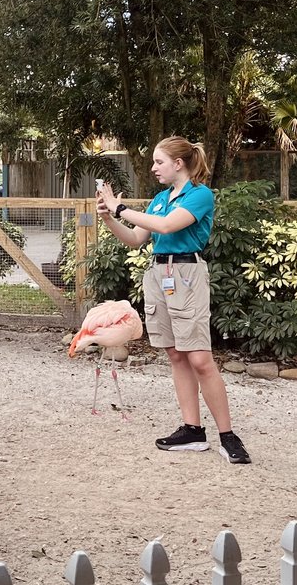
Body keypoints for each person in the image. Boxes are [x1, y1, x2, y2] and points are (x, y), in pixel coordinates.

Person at [96, 138, 252, 464]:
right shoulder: (159, 199)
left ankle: (227, 436)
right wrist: (111, 219)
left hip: (187, 275)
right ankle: (192, 430)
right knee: (176, 355)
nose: (153, 168)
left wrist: (121, 208)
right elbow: (137, 239)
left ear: (178, 164)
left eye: (159, 162)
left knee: (199, 358)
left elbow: (167, 225)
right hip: (158, 275)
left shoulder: (199, 195)